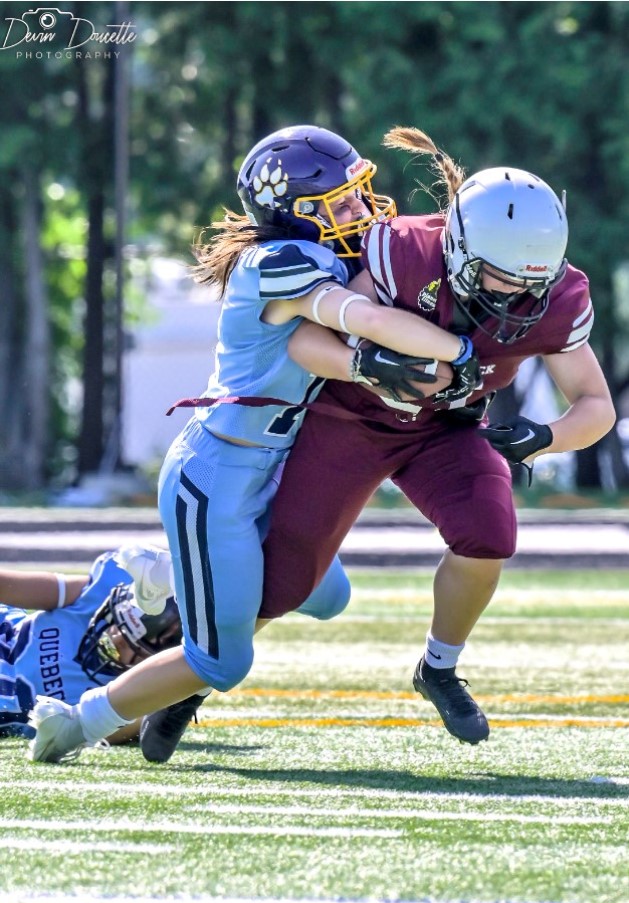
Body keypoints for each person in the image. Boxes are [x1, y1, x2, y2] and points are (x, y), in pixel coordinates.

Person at [27, 124, 481, 763]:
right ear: (296, 213)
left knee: (328, 595)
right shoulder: (279, 262)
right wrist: (462, 351)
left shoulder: (320, 254)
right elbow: (365, 320)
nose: (362, 211)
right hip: (215, 477)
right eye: (342, 203)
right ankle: (76, 723)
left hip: (267, 468)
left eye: (360, 194)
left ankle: (178, 581)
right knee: (221, 661)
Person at [255, 126, 616, 746]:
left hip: (443, 428)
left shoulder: (556, 295)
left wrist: (542, 437)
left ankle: (439, 668)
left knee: (489, 531)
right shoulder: (402, 255)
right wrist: (365, 364)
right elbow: (303, 339)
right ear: (455, 245)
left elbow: (596, 404)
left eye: (531, 280)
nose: (517, 294)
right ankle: (198, 676)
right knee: (282, 580)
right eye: (500, 276)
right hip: (353, 418)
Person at [0, 547, 181, 745]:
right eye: (117, 624)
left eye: (133, 646)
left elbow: (116, 731)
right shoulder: (95, 596)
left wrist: (170, 695)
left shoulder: (127, 696)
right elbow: (8, 586)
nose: (115, 639)